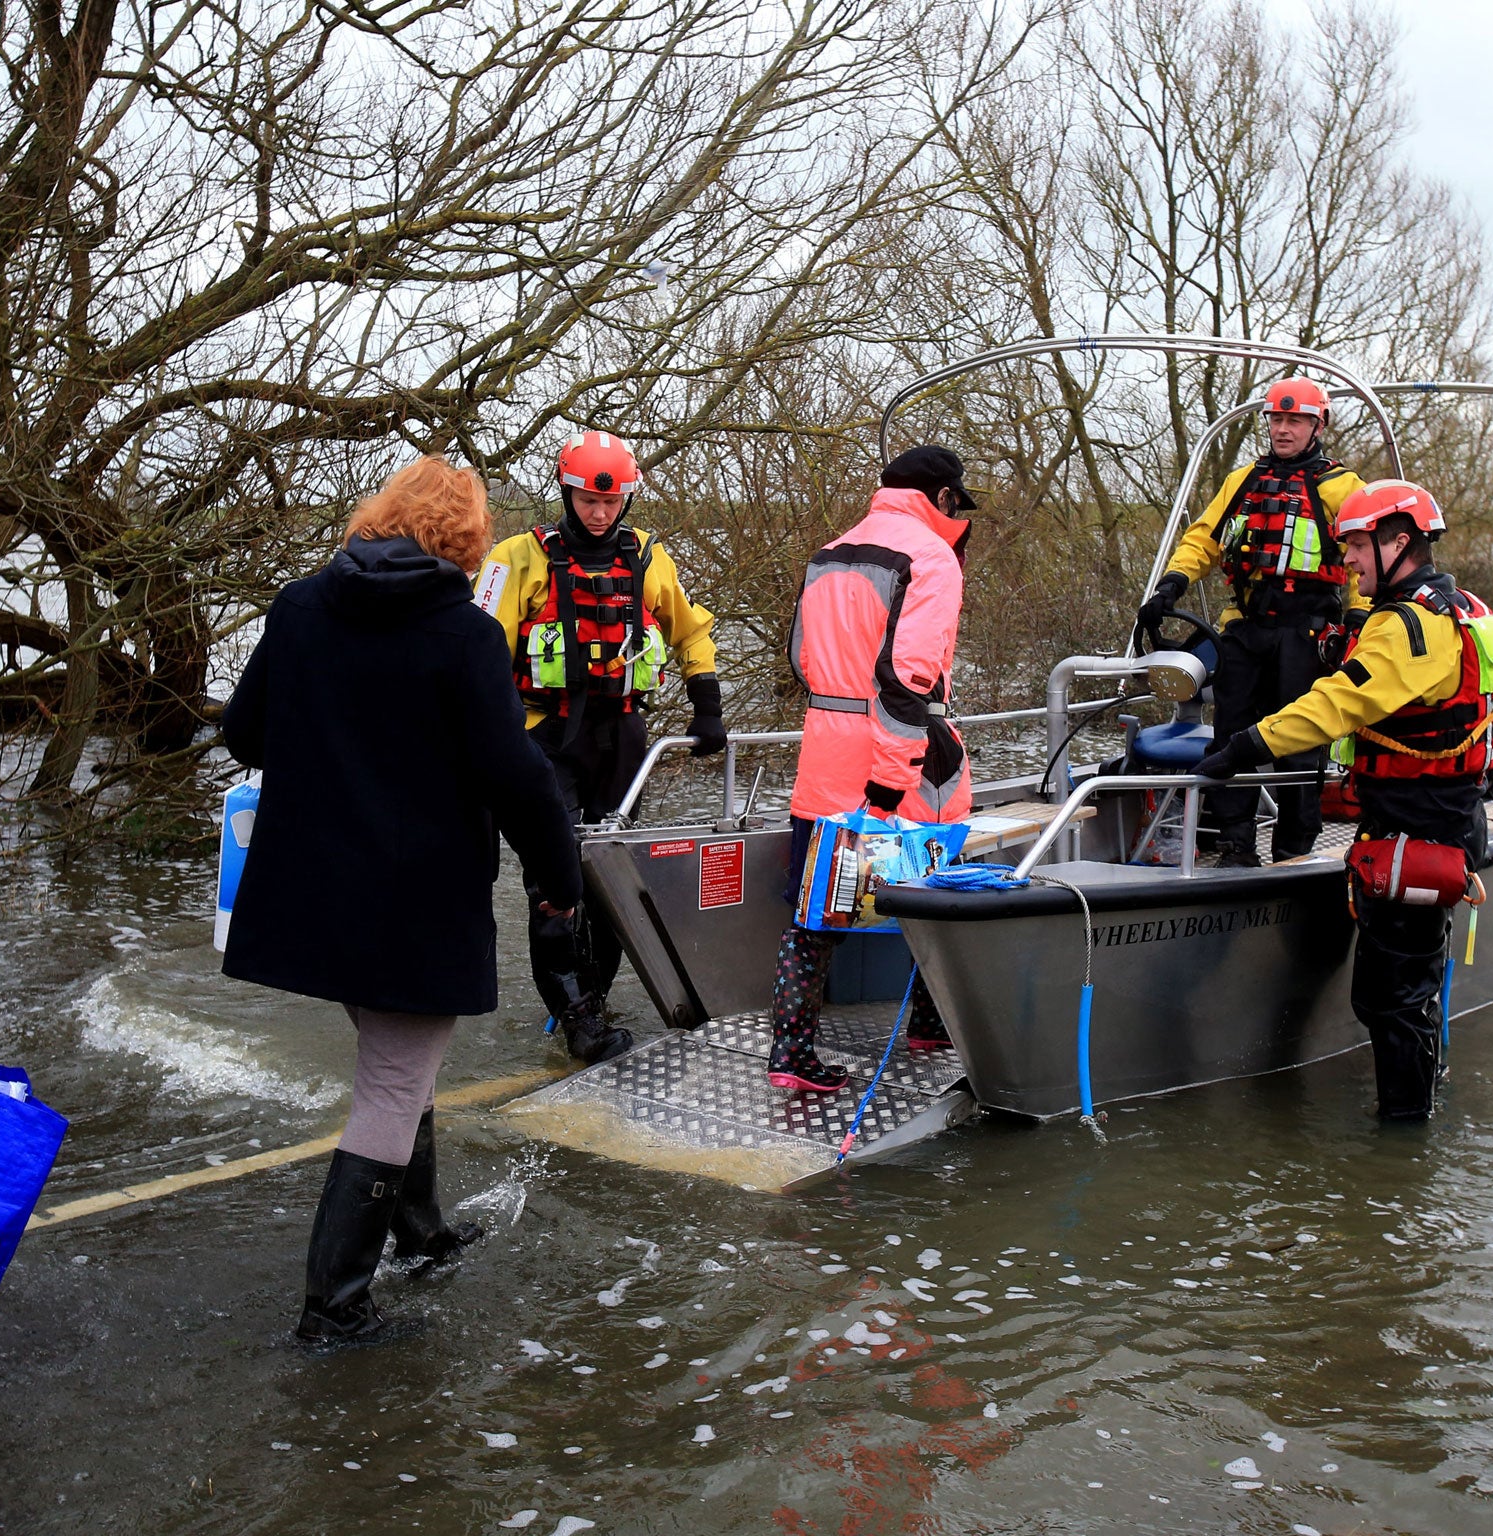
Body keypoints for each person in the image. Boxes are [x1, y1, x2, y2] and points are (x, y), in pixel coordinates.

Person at [222, 456, 581, 1346]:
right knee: (392, 1083)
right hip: (415, 896)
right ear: (465, 541)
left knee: (398, 1062)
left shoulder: (299, 605)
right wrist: (559, 879)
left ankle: (418, 1234)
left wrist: (336, 746)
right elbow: (516, 775)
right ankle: (333, 1308)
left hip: (311, 888)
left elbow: (242, 732)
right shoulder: (463, 635)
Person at [1196, 480, 1493, 1120]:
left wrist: (1246, 745)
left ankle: (1403, 1141)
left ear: (1399, 541)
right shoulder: (1458, 606)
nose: (1349, 561)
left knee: (1390, 999)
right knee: (1410, 989)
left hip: (1415, 831)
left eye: (1358, 545)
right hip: (1440, 820)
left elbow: (1339, 702)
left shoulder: (1405, 624)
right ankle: (1421, 1101)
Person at [473, 431, 724, 1065]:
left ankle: (594, 997)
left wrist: (707, 698)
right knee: (554, 879)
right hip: (543, 738)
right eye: (588, 499)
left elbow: (690, 627)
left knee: (611, 873)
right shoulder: (514, 558)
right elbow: (474, 649)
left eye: (612, 503)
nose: (600, 513)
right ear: (567, 492)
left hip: (621, 737)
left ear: (627, 501)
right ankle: (574, 1011)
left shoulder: (649, 559)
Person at [771, 446, 977, 1092]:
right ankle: (930, 1024)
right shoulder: (932, 560)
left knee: (813, 919)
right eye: (957, 507)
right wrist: (889, 784)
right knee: (935, 906)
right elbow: (907, 682)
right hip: (897, 770)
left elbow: (801, 658)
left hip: (821, 764)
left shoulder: (827, 552)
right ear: (943, 500)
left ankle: (790, 1056)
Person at [1137, 379, 1367, 864]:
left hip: (1307, 632)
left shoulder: (1344, 488)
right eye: (1276, 420)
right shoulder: (1241, 481)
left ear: (1317, 425)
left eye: (1295, 421)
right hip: (1246, 626)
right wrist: (1171, 584)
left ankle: (1293, 851)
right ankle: (1235, 843)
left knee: (1301, 744)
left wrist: (1358, 619)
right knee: (1230, 737)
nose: (1283, 430)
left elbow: (1362, 558)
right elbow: (1203, 539)